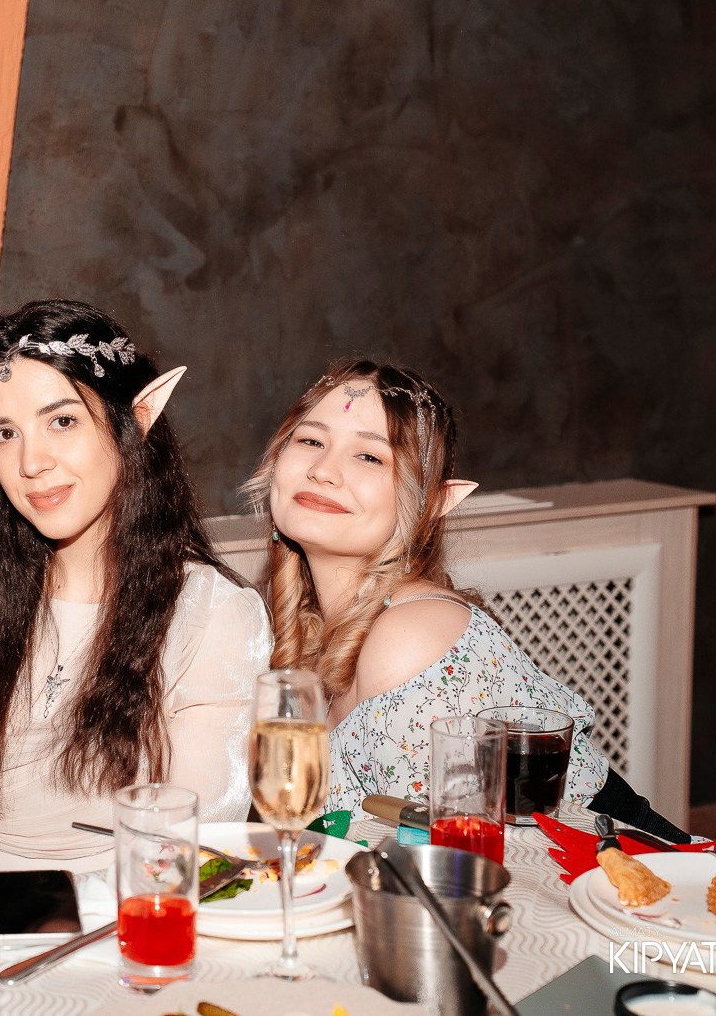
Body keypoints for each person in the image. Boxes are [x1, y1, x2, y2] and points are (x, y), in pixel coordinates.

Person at [0, 300, 272, 897]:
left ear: (135, 420)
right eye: (4, 434)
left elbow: (187, 850)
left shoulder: (210, 615)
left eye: (61, 421)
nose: (31, 462)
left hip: (121, 924)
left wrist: (20, 925)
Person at [250, 359, 684, 839]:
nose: (322, 470)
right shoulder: (305, 628)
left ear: (429, 504)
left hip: (626, 869)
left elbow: (439, 858)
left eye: (369, 456)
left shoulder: (410, 635)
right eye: (311, 441)